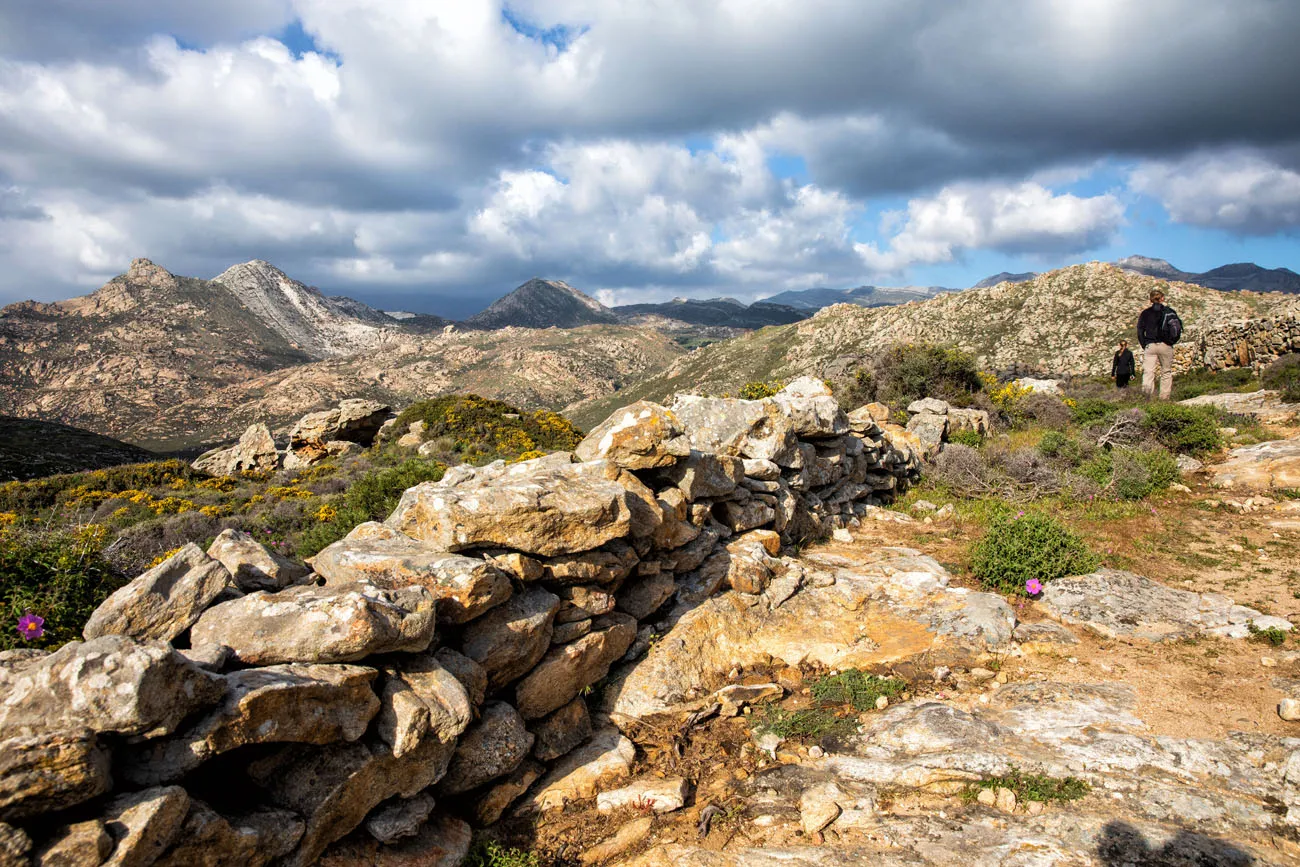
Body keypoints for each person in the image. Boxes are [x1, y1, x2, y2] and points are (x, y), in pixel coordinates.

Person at [1136, 287, 1181, 400]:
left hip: (1150, 346)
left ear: (1150, 300)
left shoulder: (1145, 313)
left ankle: (1147, 398)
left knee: (1148, 372)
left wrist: (1144, 344)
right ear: (1162, 298)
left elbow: (1140, 330)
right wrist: (1171, 342)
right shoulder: (1169, 312)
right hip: (1166, 345)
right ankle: (1164, 398)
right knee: (1166, 372)